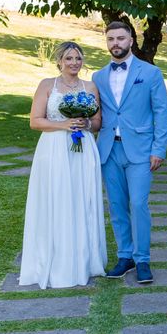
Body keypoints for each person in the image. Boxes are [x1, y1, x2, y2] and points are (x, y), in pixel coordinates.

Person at [20, 41, 107, 289]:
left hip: (83, 150)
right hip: (54, 150)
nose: (74, 63)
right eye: (68, 58)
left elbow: (98, 122)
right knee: (56, 199)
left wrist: (85, 125)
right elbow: (35, 122)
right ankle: (56, 261)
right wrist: (64, 125)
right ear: (59, 61)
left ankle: (84, 260)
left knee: (82, 199)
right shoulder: (47, 85)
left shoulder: (90, 86)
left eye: (78, 58)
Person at [93, 21, 167, 284]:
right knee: (116, 206)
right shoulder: (98, 76)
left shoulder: (150, 73)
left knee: (138, 204)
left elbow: (161, 112)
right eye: (111, 39)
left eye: (121, 38)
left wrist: (158, 149)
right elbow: (97, 113)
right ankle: (125, 257)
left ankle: (143, 259)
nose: (115, 43)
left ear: (131, 40)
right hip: (108, 150)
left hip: (140, 150)